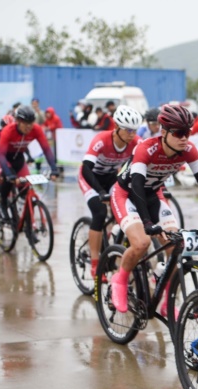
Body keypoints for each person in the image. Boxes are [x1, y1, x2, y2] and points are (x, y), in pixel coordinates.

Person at [109, 104, 198, 315]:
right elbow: (138, 186)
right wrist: (148, 223)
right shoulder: (146, 148)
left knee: (175, 246)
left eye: (187, 132)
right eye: (178, 133)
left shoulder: (189, 150)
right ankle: (120, 279)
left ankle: (167, 303)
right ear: (164, 132)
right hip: (126, 194)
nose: (184, 138)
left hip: (154, 194)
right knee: (142, 243)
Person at [79, 106, 142, 279]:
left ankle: (111, 239)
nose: (131, 134)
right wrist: (99, 192)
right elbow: (86, 169)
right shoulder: (102, 139)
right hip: (90, 178)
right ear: (117, 127)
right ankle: (94, 263)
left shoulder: (136, 141)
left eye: (134, 130)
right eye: (128, 130)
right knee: (99, 213)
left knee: (124, 210)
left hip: (111, 177)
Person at [0, 106, 59, 219]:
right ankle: (3, 203)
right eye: (25, 123)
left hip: (19, 158)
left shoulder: (36, 129)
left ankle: (28, 225)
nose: (29, 126)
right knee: (8, 180)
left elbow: (46, 150)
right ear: (18, 121)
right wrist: (9, 174)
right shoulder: (8, 130)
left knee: (26, 188)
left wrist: (54, 168)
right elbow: (1, 155)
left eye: (31, 123)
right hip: (4, 157)